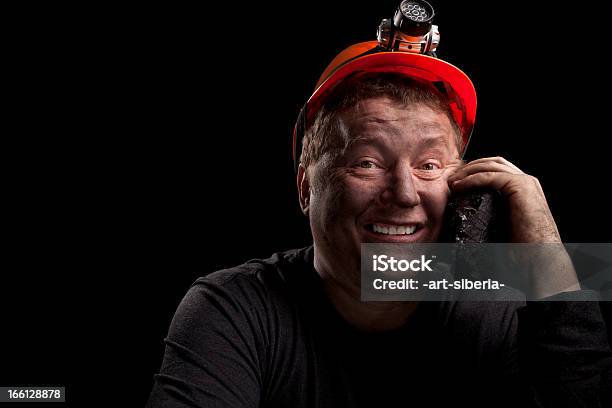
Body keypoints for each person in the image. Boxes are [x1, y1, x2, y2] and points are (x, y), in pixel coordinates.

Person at [147, 22, 612, 408]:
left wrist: (545, 251)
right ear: (307, 187)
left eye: (429, 165)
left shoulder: (499, 303)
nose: (405, 193)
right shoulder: (233, 307)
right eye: (366, 162)